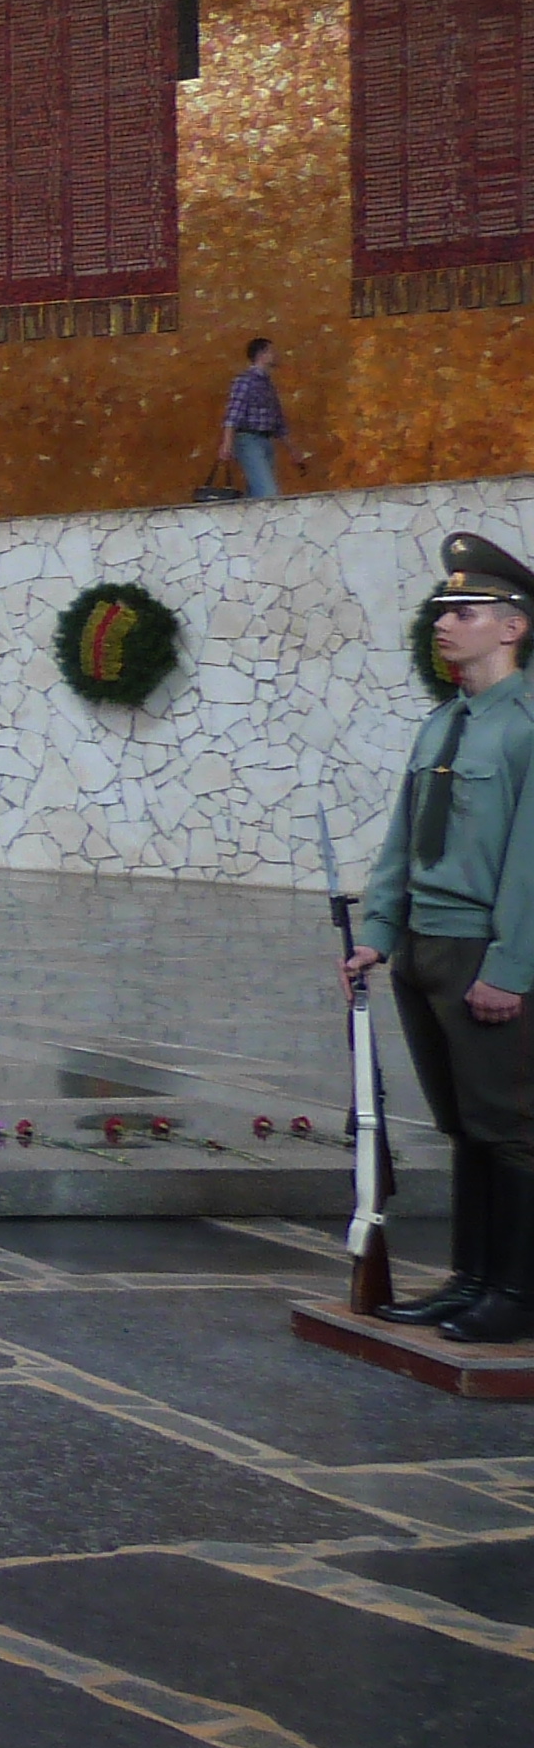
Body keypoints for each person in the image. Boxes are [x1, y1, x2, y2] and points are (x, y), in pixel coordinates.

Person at [350, 529, 534, 1344]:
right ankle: (471, 1280)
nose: (444, 623)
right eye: (441, 611)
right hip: (425, 949)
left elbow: (532, 863)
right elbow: (403, 839)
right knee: (463, 1124)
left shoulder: (525, 726)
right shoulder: (443, 724)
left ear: (512, 625)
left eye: (465, 611)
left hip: (482, 954)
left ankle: (518, 1292)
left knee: (510, 1127)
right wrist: (377, 932)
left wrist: (511, 967)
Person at [223, 338, 298, 499]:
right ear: (261, 354)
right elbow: (233, 414)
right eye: (271, 351)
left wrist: (292, 449)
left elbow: (278, 421)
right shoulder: (245, 381)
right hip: (248, 440)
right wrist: (227, 443)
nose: (275, 355)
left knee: (256, 493)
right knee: (268, 493)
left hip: (265, 441)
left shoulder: (268, 384)